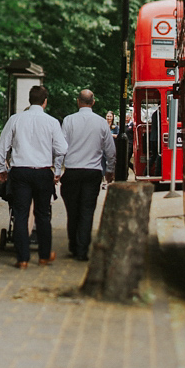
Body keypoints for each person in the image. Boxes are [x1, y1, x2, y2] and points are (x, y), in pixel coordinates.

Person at [0, 85, 68, 269]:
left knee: (20, 214)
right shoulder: (52, 122)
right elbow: (62, 149)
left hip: (20, 172)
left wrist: (1, 168)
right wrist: (57, 170)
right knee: (42, 214)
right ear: (45, 101)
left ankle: (23, 258)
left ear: (29, 100)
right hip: (43, 171)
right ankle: (44, 255)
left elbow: (2, 147)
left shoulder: (15, 119)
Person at [61, 90, 116, 261]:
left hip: (72, 171)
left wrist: (57, 170)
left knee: (72, 210)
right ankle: (82, 249)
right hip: (92, 172)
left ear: (78, 102)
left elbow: (61, 147)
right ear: (93, 102)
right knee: (87, 210)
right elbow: (110, 150)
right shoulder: (101, 123)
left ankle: (73, 245)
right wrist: (110, 170)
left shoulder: (68, 120)